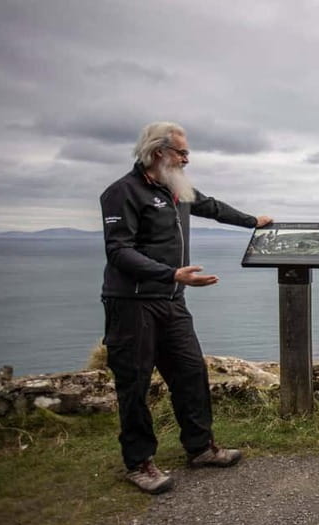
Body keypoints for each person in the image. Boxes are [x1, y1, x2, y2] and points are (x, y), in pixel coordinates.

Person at [100, 122, 272, 494]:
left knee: (191, 373)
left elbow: (210, 207)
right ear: (159, 151)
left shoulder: (175, 189)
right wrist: (172, 273)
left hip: (171, 300)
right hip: (132, 304)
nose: (186, 159)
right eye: (181, 152)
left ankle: (200, 448)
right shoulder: (122, 193)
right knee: (134, 383)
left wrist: (252, 222)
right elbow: (118, 250)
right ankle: (139, 462)